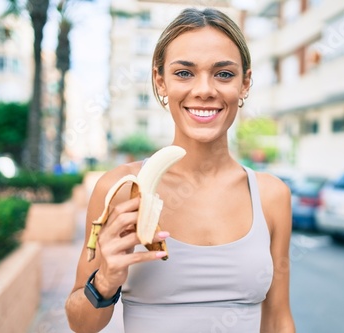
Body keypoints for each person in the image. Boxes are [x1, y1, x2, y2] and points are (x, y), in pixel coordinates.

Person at [65, 7, 295, 333]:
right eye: (184, 73)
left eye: (224, 74)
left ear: (245, 84)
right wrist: (105, 280)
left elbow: (278, 319)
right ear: (161, 81)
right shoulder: (119, 189)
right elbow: (80, 324)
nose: (204, 90)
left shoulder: (272, 195)